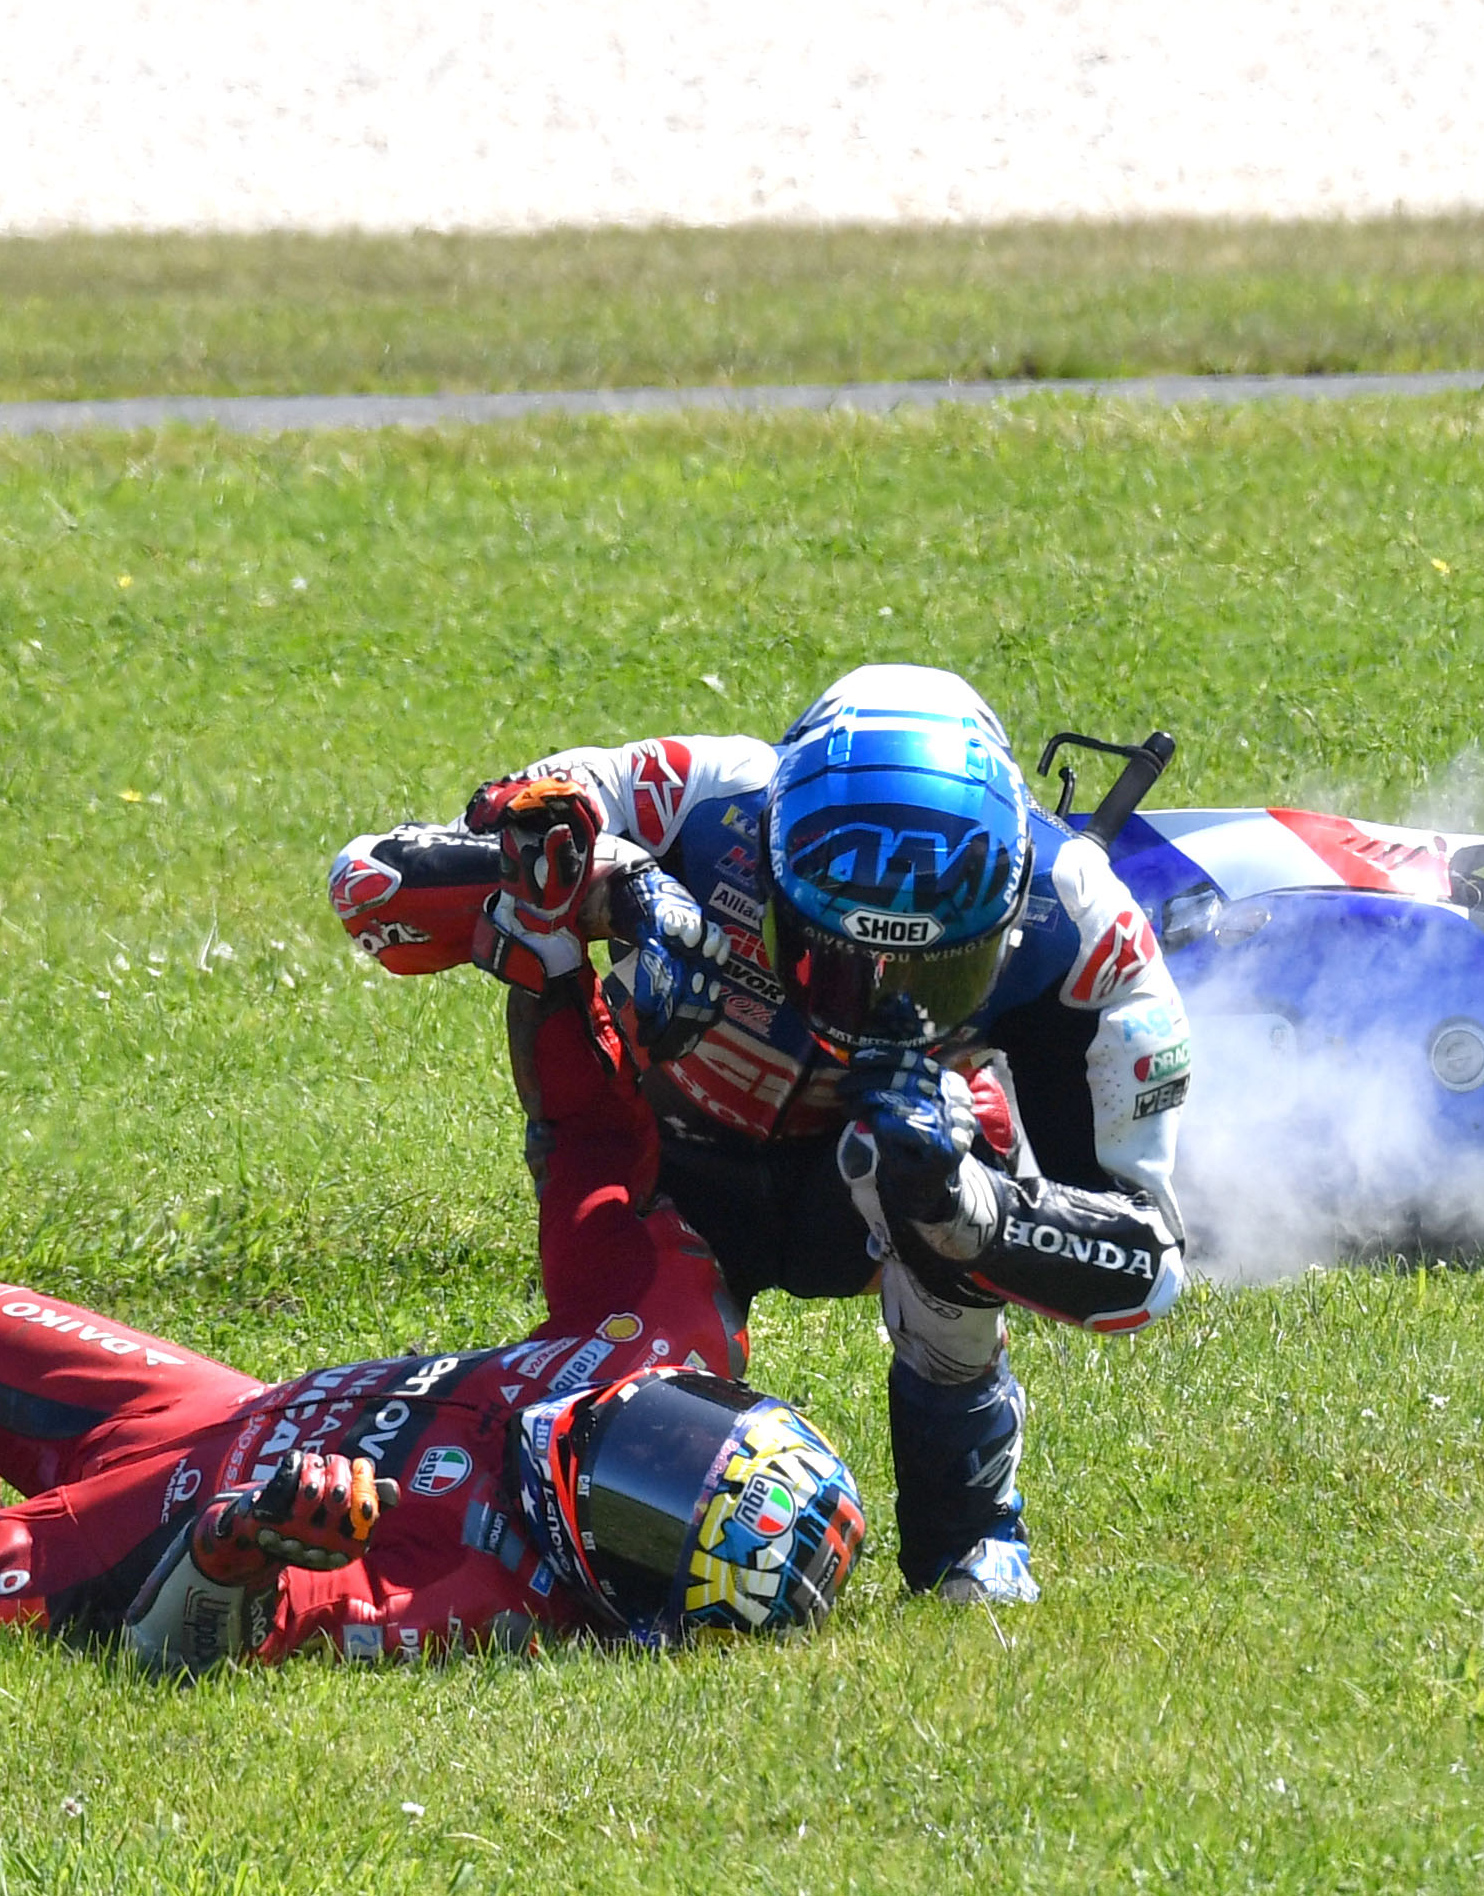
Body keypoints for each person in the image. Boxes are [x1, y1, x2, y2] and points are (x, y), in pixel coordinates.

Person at [0, 973, 867, 1673]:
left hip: (118, 1545)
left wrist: (238, 1552)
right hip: (203, 1409)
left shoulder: (480, 1602)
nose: (627, 1444)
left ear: (630, 1601)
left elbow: (170, 1653)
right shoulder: (658, 1337)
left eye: (645, 1505)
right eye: (684, 1433)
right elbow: (587, 1137)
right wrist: (544, 949)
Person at [329, 664, 1194, 1605]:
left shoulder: (1087, 926)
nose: (873, 1002)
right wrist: (621, 889)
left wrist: (964, 1204)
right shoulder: (705, 795)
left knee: (961, 1141)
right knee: (633, 1388)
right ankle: (565, 1533)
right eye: (835, 959)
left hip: (873, 1182)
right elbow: (370, 881)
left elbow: (1150, 1267)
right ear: (770, 864)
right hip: (659, 1163)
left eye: (927, 977)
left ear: (1007, 918)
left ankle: (972, 1534)